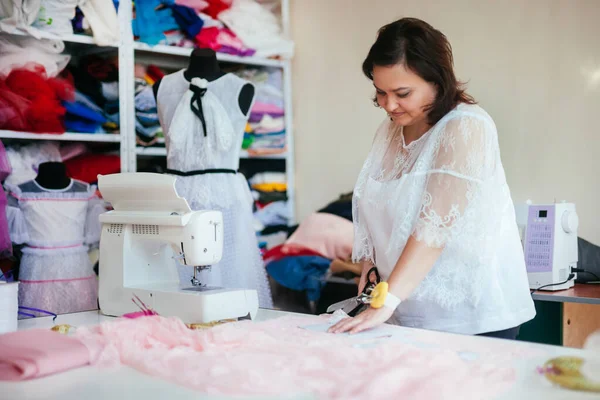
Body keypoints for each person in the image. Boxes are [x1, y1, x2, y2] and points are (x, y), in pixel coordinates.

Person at [329, 17, 535, 339]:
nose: (389, 105)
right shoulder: (389, 131)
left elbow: (434, 228)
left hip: (469, 317)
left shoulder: (466, 127)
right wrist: (370, 281)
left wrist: (386, 301)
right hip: (403, 310)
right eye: (380, 92)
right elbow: (374, 217)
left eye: (402, 93)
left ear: (437, 80)